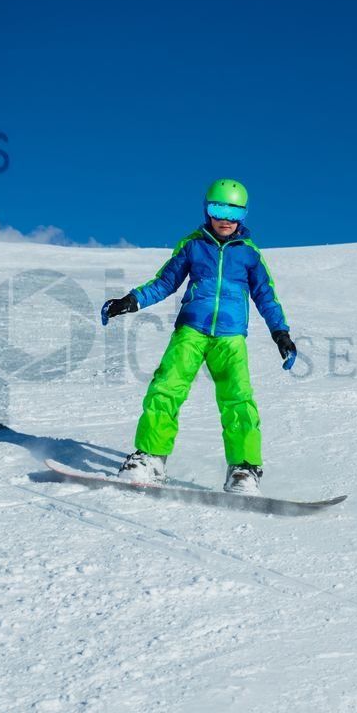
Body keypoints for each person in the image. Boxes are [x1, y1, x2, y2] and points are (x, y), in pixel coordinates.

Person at [100, 179, 296, 495]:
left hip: (230, 338)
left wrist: (281, 333)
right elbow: (164, 282)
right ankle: (150, 458)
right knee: (166, 389)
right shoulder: (193, 245)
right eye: (218, 209)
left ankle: (244, 468)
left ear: (244, 215)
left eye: (234, 212)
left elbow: (266, 296)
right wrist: (131, 301)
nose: (225, 219)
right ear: (207, 209)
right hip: (190, 331)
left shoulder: (249, 254)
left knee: (238, 399)